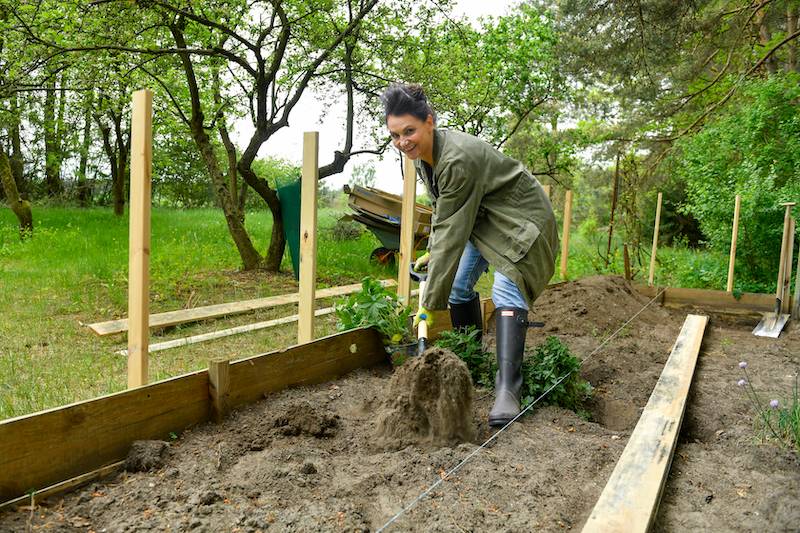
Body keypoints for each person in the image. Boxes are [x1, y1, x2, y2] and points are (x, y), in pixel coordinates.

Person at [381, 83, 559, 427]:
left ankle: (508, 390)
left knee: (506, 290)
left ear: (429, 122)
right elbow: (443, 212)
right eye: (395, 135)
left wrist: (429, 306)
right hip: (484, 218)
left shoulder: (457, 157)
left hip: (521, 220)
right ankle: (470, 362)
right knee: (460, 286)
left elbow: (451, 230)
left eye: (409, 131)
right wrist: (433, 253)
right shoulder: (424, 158)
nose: (403, 142)